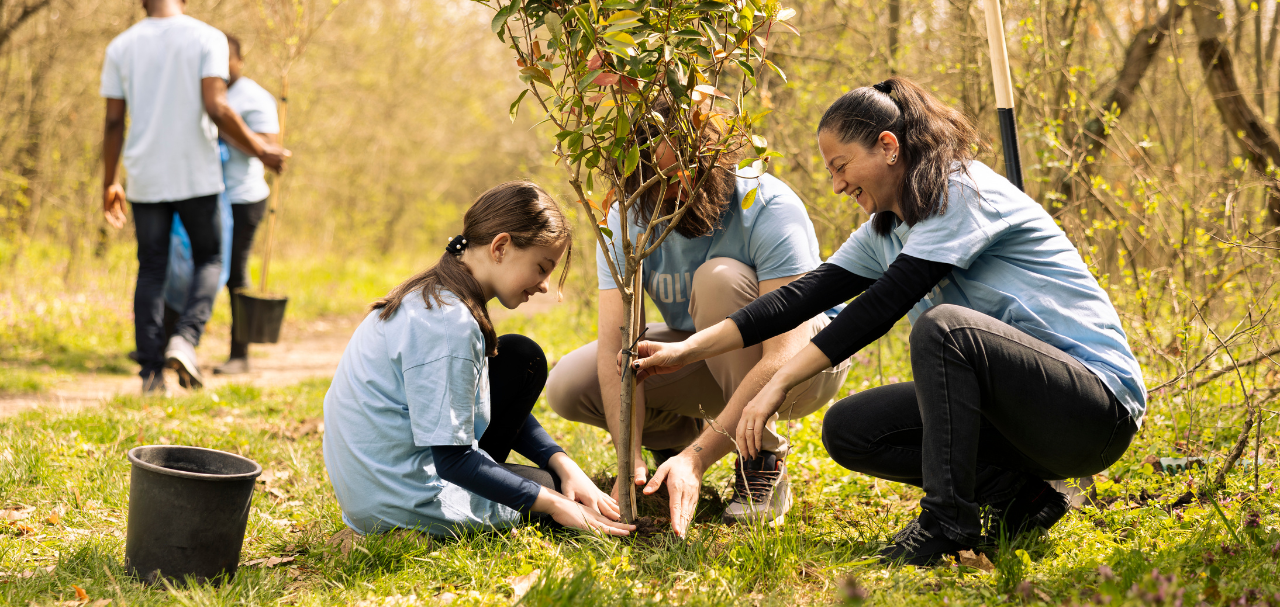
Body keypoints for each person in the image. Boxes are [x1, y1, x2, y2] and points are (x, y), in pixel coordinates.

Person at [632, 77, 1145, 563]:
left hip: (1093, 410)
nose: (836, 185)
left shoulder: (962, 191)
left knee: (945, 329)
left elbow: (881, 307)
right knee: (851, 429)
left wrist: (778, 381)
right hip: (1022, 416)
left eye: (841, 166)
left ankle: (948, 524)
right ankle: (1022, 497)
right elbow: (802, 296)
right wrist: (688, 349)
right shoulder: (889, 227)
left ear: (887, 146)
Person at [546, 101, 850, 531]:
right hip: (709, 356)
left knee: (718, 280)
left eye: (690, 174)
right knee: (570, 384)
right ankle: (672, 444)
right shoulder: (627, 216)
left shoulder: (766, 203)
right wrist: (626, 457)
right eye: (663, 182)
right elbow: (618, 346)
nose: (679, 191)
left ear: (717, 160)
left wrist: (699, 460)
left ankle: (759, 459)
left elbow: (787, 349)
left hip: (805, 362)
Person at [323, 181, 634, 538]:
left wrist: (561, 461)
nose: (545, 285)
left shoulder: (436, 295)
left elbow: (470, 399)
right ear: (501, 247)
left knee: (521, 358)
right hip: (397, 500)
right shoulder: (449, 325)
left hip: (376, 487)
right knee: (547, 492)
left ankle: (527, 480)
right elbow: (452, 461)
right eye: (541, 267)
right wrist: (553, 502)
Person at [100, 0, 289, 395]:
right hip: (197, 176)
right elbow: (217, 106)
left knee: (151, 269)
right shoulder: (208, 38)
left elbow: (113, 122)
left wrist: (109, 183)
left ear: (142, 0)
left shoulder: (120, 46)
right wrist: (263, 150)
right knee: (211, 260)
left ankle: (150, 374)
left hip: (145, 176)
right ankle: (185, 339)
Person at [215, 34, 280, 375]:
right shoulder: (206, 89)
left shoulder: (254, 97)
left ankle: (239, 354)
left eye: (227, 57)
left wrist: (225, 127)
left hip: (243, 197)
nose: (221, 64)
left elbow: (270, 147)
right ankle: (166, 343)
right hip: (206, 194)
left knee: (235, 273)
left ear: (239, 59)